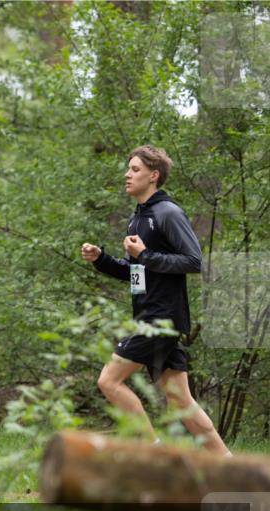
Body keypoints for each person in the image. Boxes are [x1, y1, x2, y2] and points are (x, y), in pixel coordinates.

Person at [80, 145, 230, 455]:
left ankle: (154, 454)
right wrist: (102, 260)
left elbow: (194, 261)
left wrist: (145, 255)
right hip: (150, 315)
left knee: (109, 381)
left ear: (153, 175)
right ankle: (231, 467)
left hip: (160, 318)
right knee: (181, 401)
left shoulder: (168, 213)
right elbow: (136, 272)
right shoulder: (138, 218)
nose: (127, 174)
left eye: (134, 169)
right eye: (128, 168)